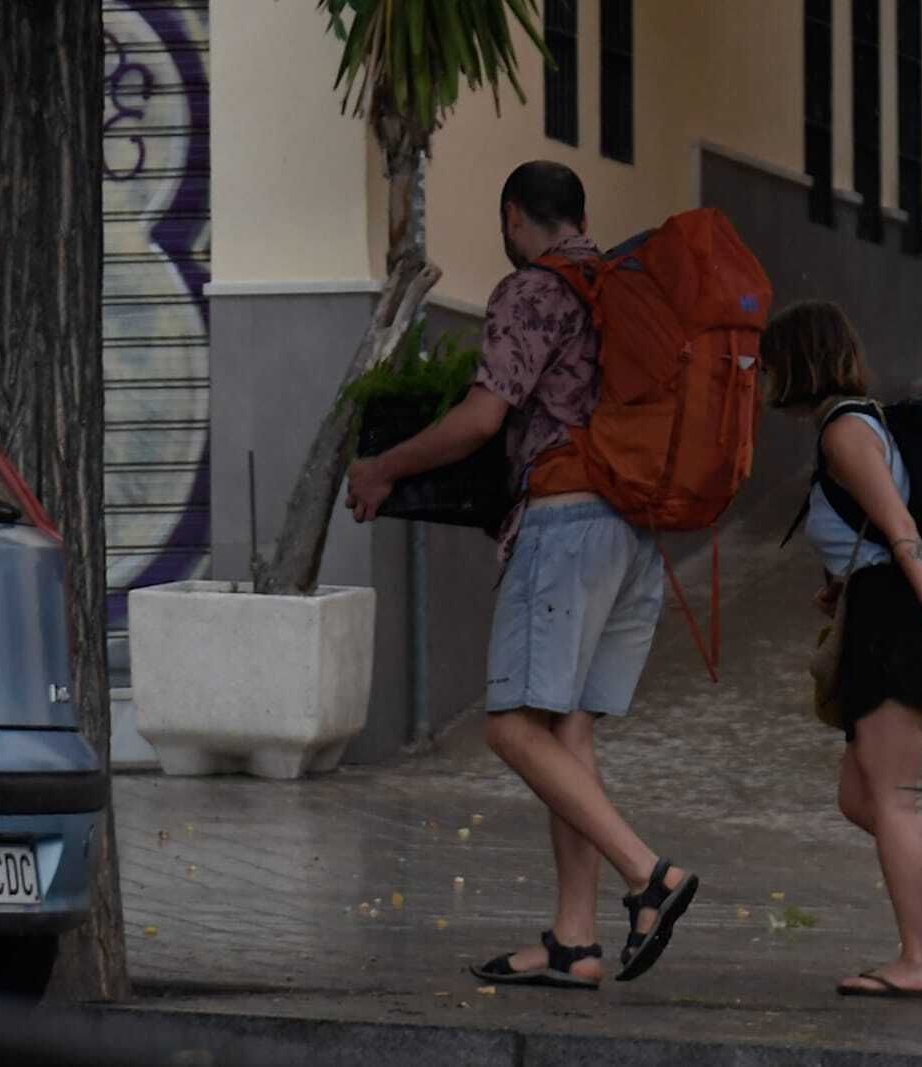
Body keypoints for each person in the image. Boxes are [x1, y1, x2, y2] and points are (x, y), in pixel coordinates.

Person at [345, 161, 697, 991]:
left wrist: (383, 468)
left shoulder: (534, 292)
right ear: (577, 214)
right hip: (633, 530)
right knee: (565, 729)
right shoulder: (621, 287)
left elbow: (481, 417)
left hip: (567, 520)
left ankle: (650, 875)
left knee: (510, 727)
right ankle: (575, 942)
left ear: (514, 217)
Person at [759, 301, 922, 998]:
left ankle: (919, 958)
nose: (763, 376)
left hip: (899, 621)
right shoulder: (855, 425)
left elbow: (902, 529)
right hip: (886, 608)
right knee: (861, 794)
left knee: (893, 800)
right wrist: (845, 583)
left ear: (799, 363)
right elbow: (878, 532)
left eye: (771, 361)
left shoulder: (846, 433)